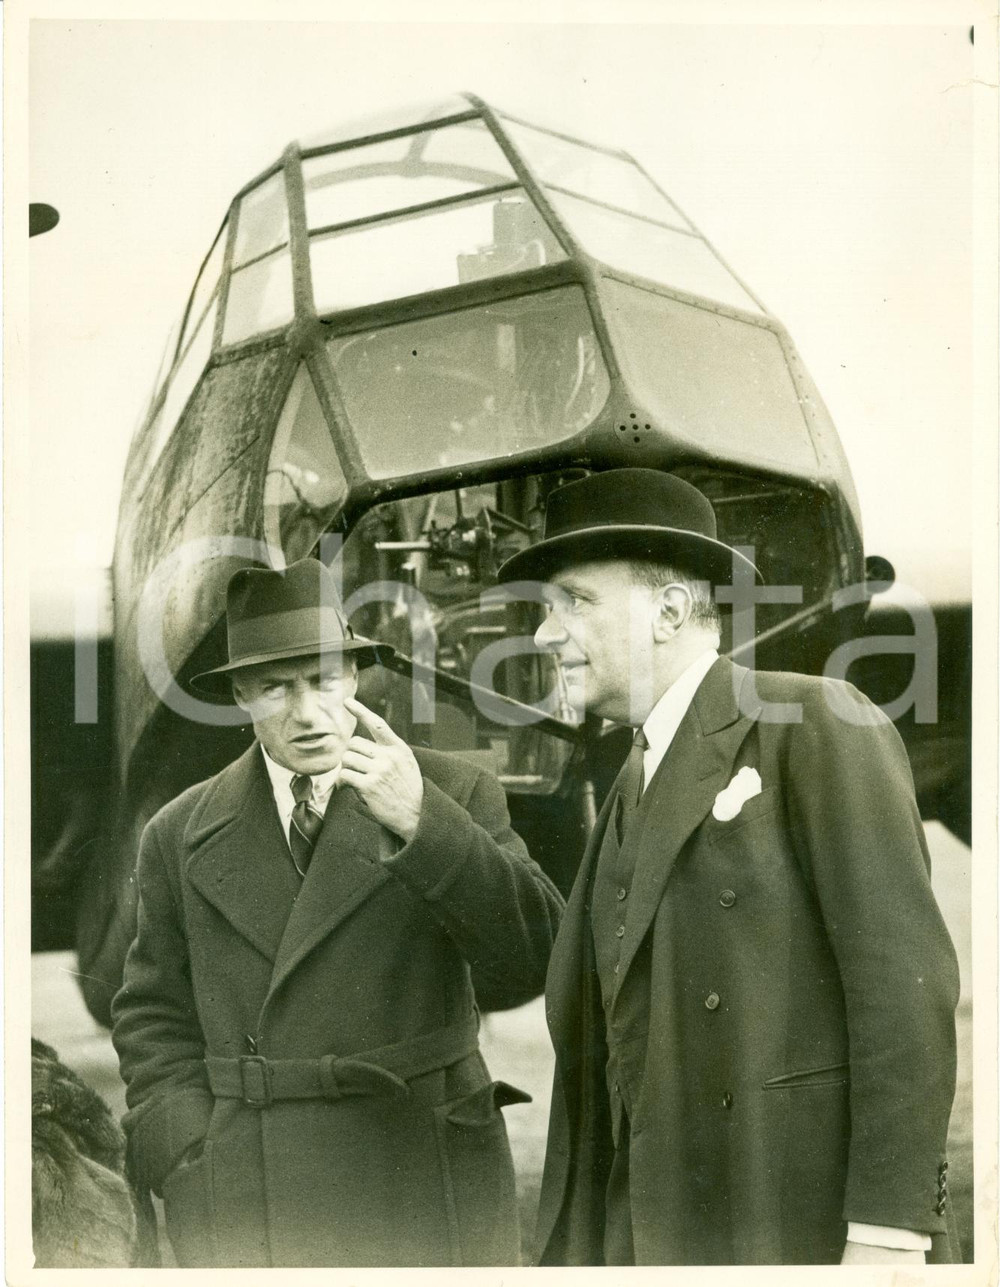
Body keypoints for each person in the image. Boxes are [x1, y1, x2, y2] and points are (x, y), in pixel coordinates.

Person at [495, 467, 960, 1266]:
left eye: (573, 601)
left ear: (670, 609)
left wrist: (887, 1235)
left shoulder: (817, 723)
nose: (541, 633)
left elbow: (903, 993)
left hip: (782, 1228)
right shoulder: (628, 782)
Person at [111, 558, 563, 1268]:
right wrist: (187, 1159)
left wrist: (423, 825)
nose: (307, 711)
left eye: (323, 679)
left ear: (353, 678)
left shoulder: (452, 790)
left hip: (425, 1172)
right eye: (275, 687)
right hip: (253, 1193)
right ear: (239, 693)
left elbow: (533, 958)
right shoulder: (178, 831)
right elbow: (152, 1016)